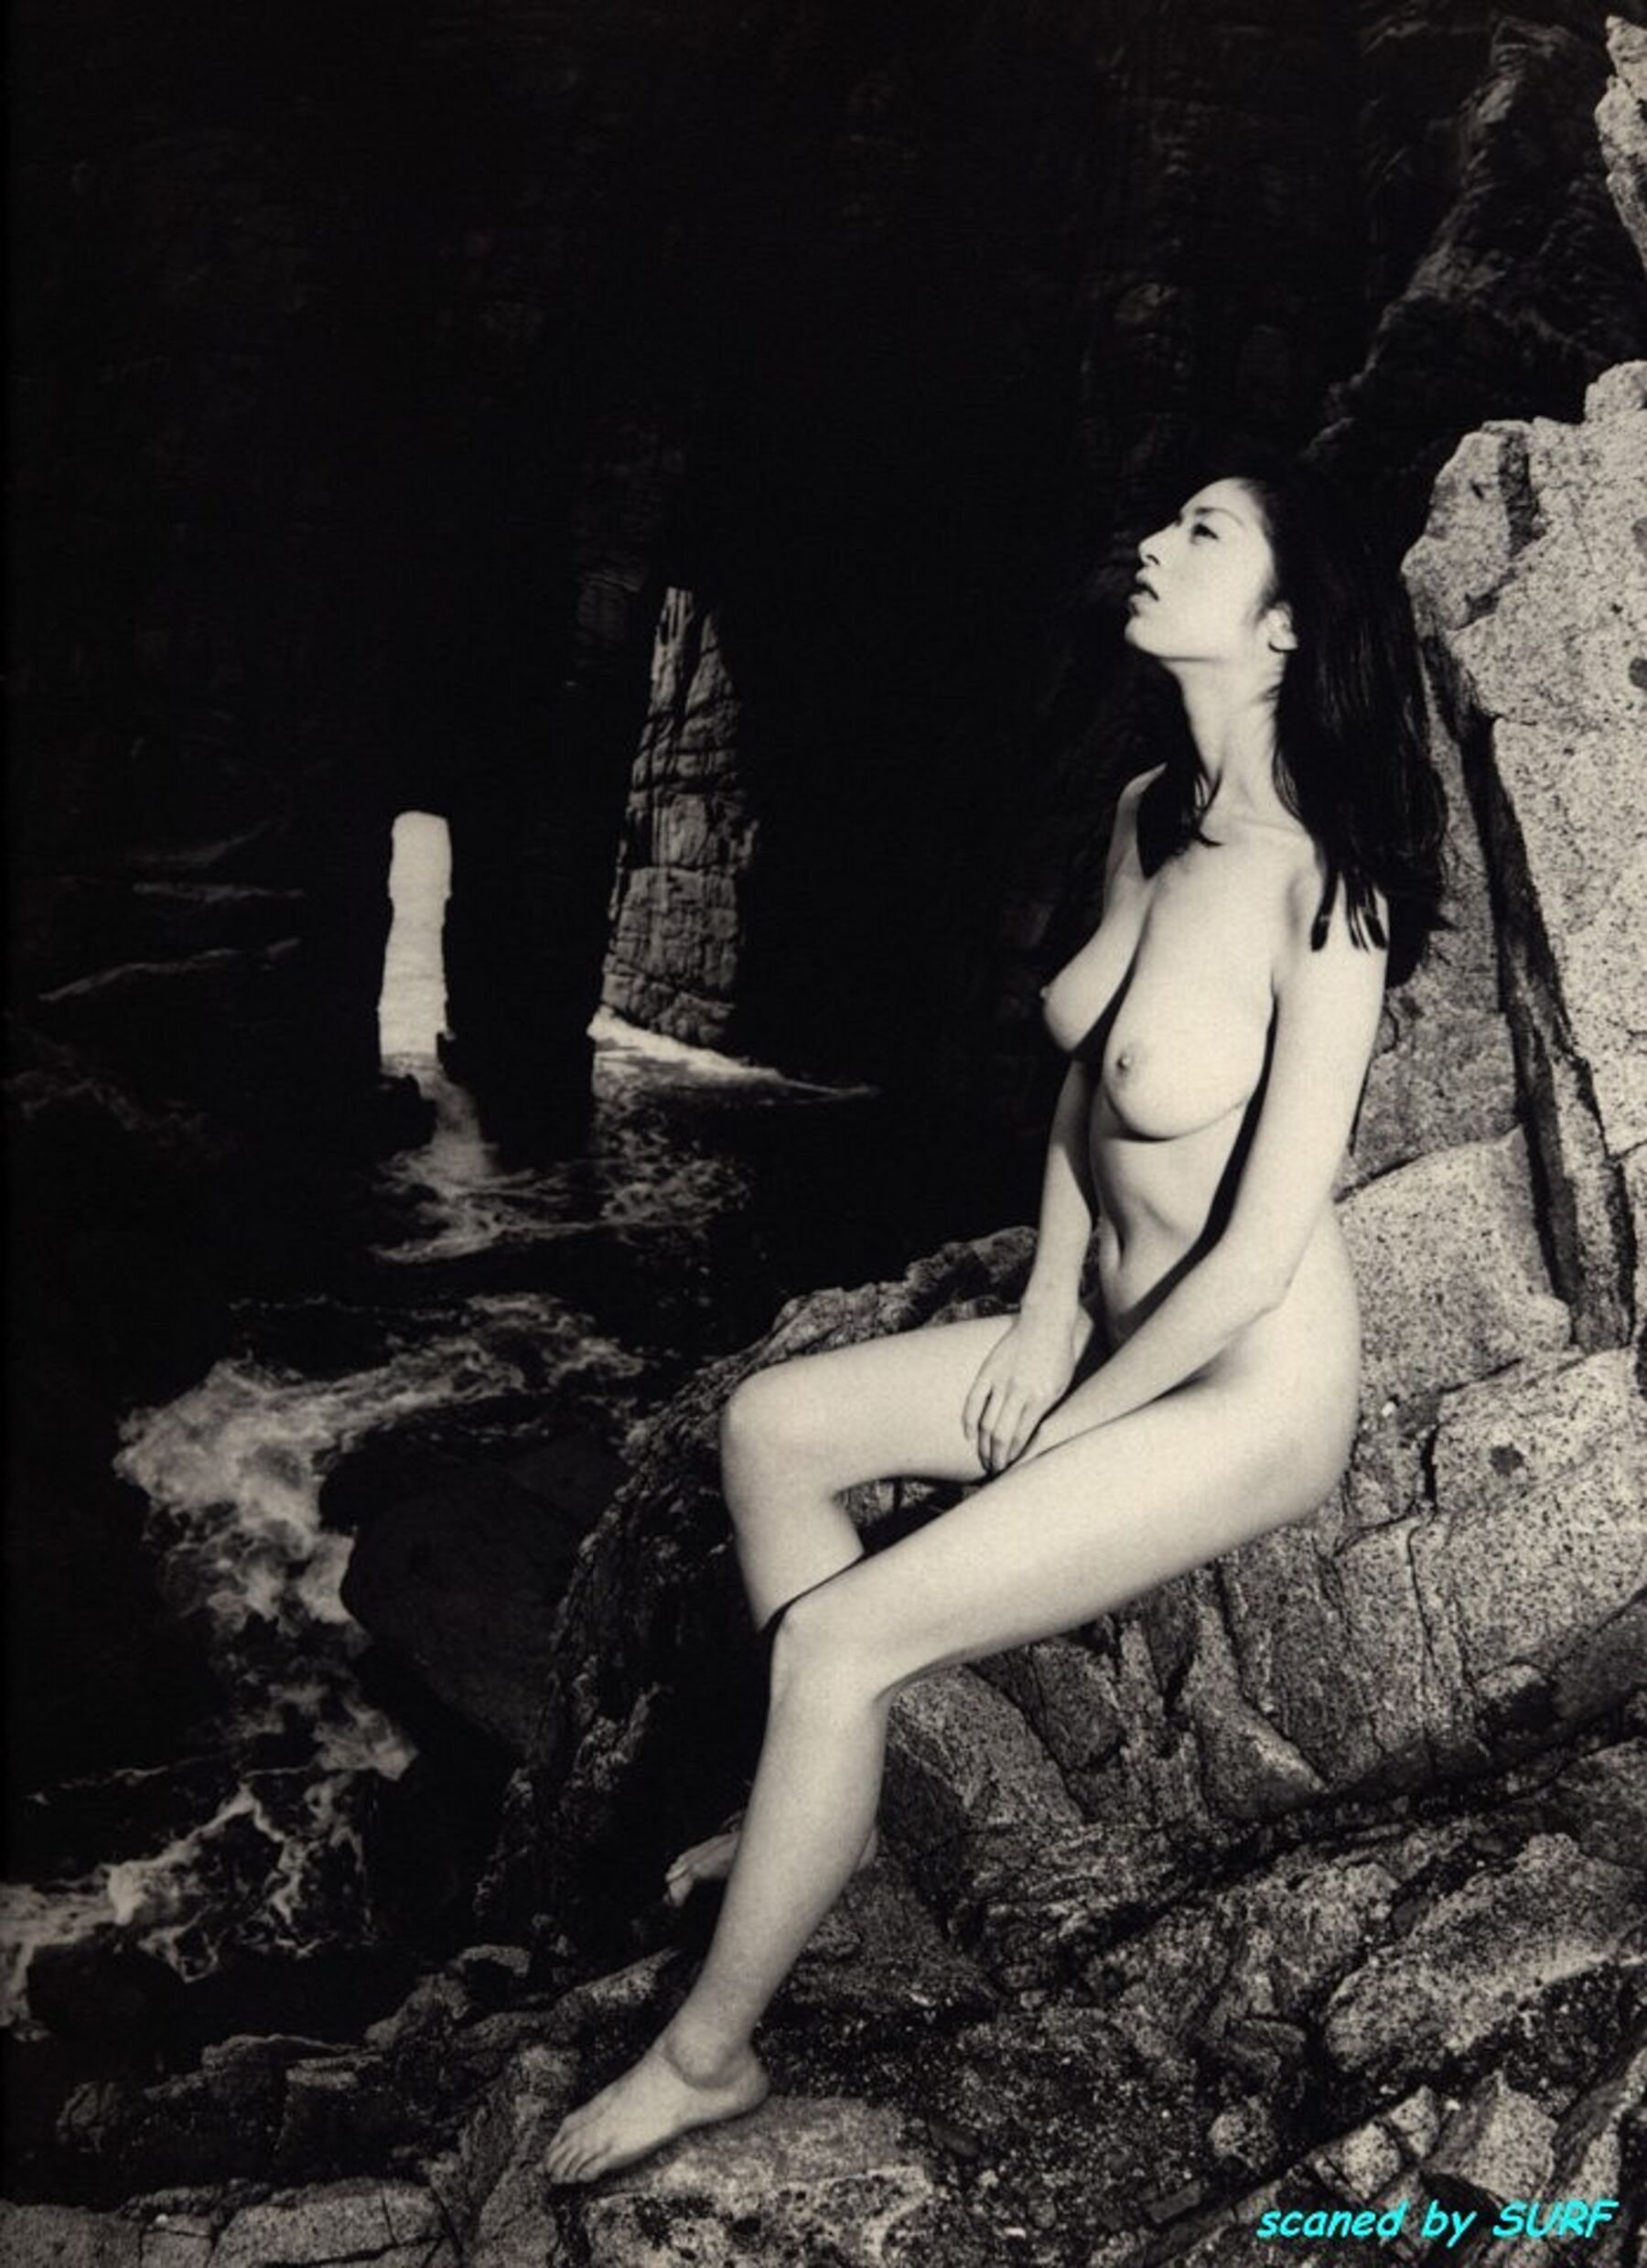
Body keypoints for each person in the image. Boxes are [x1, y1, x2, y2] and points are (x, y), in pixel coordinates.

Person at [544, 460, 1449, 2185]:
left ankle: (708, 2057)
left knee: (837, 1639)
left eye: (1204, 534)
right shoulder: (1151, 812)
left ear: (1281, 630)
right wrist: (1043, 1318)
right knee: (770, 1430)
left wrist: (1074, 1426)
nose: (1154, 544)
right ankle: (822, 1795)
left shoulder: (1327, 893)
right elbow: (1091, 1100)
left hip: (1243, 1390)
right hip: (1102, 1329)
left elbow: (1259, 1257)